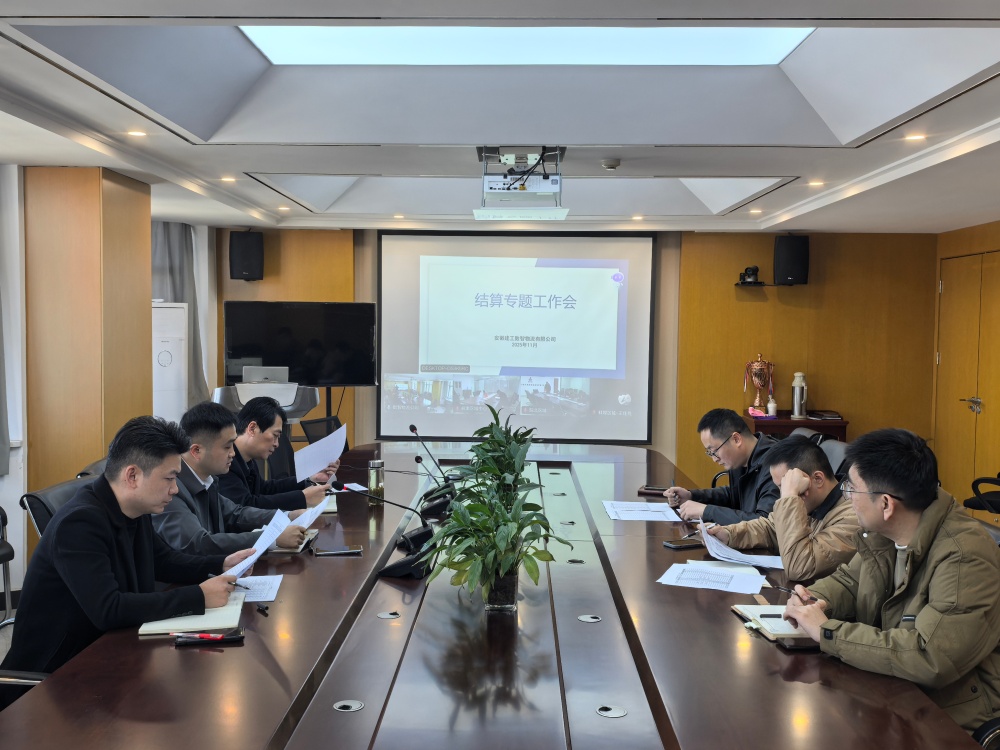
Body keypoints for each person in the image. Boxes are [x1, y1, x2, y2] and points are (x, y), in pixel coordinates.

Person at [0, 417, 253, 710]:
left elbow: (164, 560)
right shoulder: (79, 523)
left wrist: (221, 564)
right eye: (170, 478)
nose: (175, 489)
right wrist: (198, 596)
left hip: (111, 652)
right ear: (132, 475)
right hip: (53, 681)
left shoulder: (134, 507)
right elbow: (109, 609)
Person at [784, 429, 1000, 734]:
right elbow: (849, 582)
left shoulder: (965, 556)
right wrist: (813, 599)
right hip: (893, 691)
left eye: (852, 489)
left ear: (886, 504)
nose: (847, 497)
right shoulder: (886, 533)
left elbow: (930, 656)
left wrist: (828, 632)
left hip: (949, 716)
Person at [152, 402, 309, 556]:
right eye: (227, 447)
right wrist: (270, 538)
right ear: (196, 451)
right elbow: (198, 543)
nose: (233, 453)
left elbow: (236, 514)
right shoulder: (171, 490)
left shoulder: (208, 480)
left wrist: (288, 516)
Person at [707, 436, 858, 580]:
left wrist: (791, 496)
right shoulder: (810, 503)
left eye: (787, 486)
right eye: (781, 487)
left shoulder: (852, 518)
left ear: (818, 479)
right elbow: (770, 527)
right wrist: (729, 534)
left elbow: (800, 567)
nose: (782, 494)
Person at [218, 396, 337, 512]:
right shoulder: (225, 461)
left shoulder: (246, 458)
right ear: (252, 428)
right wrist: (302, 498)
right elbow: (246, 506)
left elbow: (264, 489)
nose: (276, 444)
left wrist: (309, 478)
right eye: (275, 435)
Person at [663, 408, 780, 524]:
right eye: (710, 453)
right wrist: (692, 496)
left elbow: (764, 523)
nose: (714, 459)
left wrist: (707, 511)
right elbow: (733, 495)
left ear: (736, 439)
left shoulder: (776, 464)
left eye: (714, 451)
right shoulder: (742, 458)